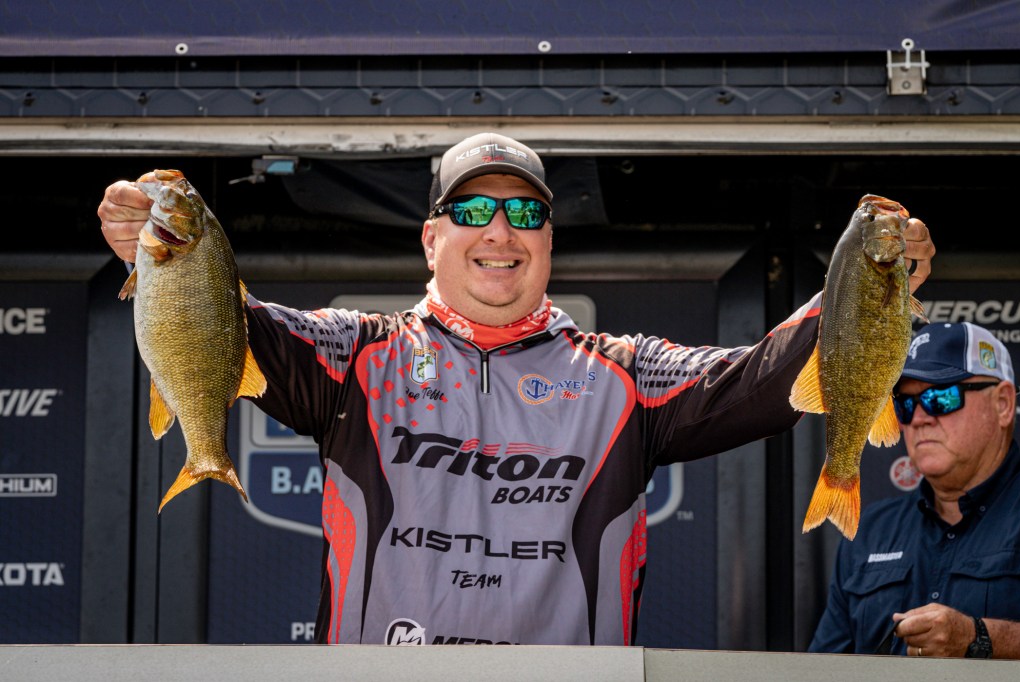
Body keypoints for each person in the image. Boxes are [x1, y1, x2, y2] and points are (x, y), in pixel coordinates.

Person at [98, 132, 935, 646]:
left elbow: (760, 378)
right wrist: (154, 242)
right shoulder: (357, 354)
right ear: (432, 239)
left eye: (526, 215)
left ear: (549, 242)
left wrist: (870, 287)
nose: (500, 232)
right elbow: (218, 319)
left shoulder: (622, 373)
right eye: (473, 212)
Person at [809, 321, 1020, 658]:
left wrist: (979, 638)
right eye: (906, 404)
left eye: (941, 398)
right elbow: (824, 668)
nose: (920, 417)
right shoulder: (871, 532)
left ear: (1003, 404)